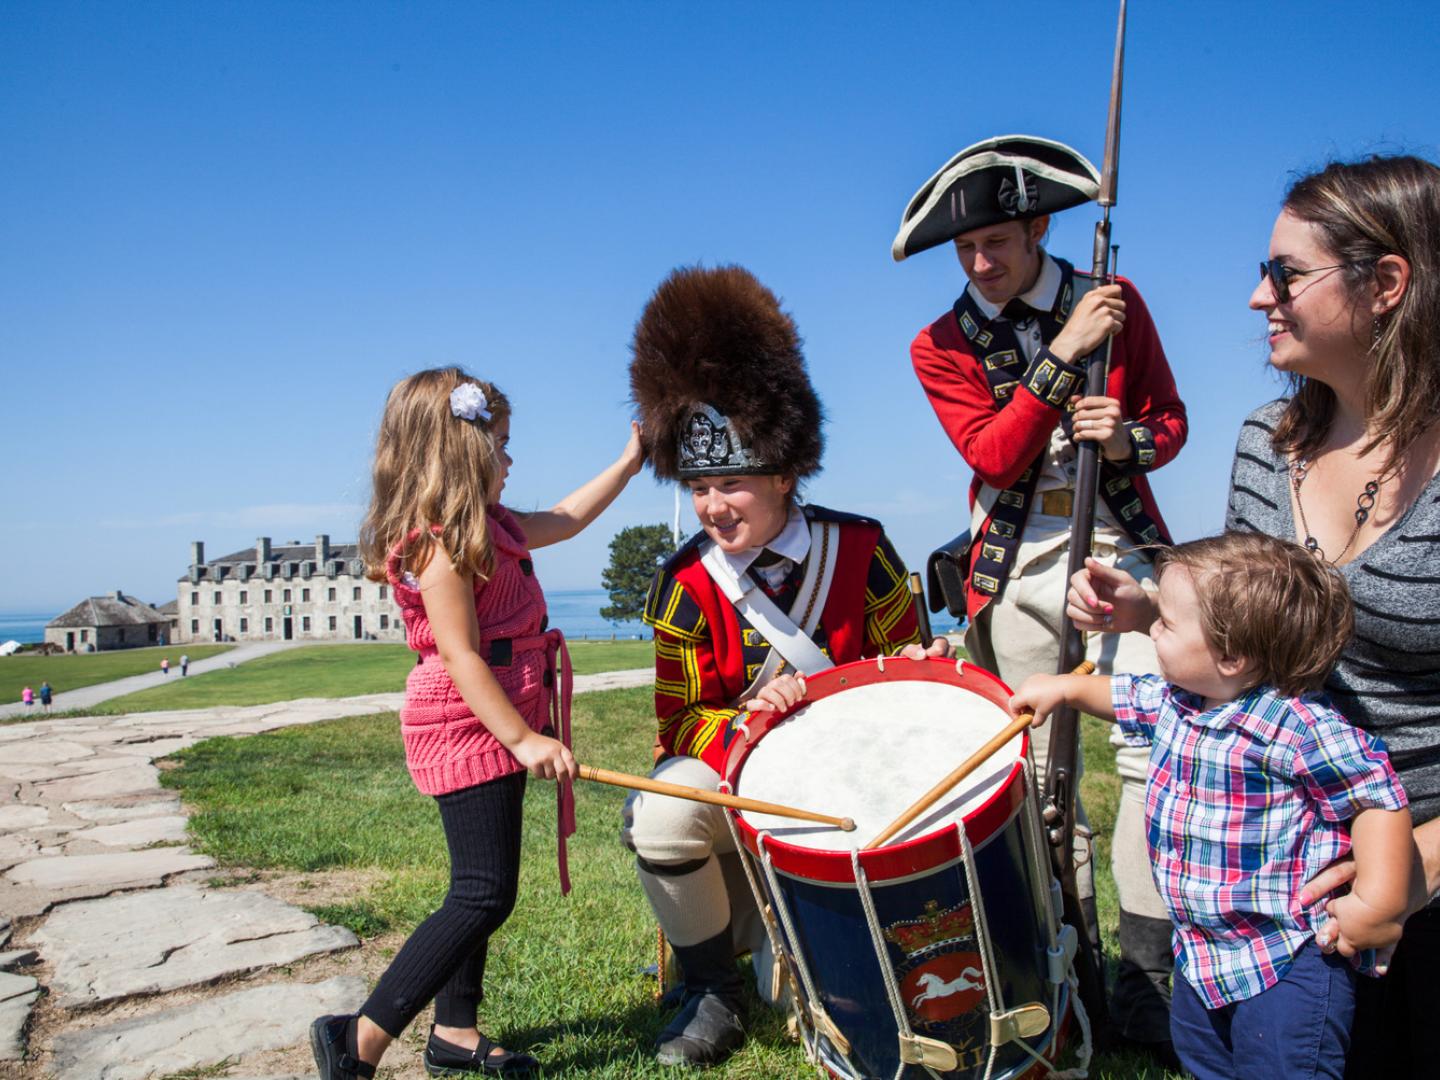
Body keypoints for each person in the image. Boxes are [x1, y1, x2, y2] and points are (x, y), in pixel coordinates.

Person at [1068, 154, 1440, 1078]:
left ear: (1387, 282)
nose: (1254, 297)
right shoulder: (1264, 445)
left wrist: (1407, 873)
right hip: (1276, 890)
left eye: (1283, 274)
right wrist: (1153, 607)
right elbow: (1264, 621)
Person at [892, 134, 1188, 1056]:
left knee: (1152, 740)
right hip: (1016, 561)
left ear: (1040, 226)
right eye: (966, 251)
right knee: (1042, 783)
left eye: (999, 245)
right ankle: (1071, 973)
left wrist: (1127, 440)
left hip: (1120, 544)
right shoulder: (939, 343)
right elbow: (992, 455)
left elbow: (1171, 422)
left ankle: (1146, 978)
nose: (981, 266)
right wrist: (1064, 355)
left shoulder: (1116, 299)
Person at [626, 265, 951, 1067]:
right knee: (659, 813)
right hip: (742, 787)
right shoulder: (686, 585)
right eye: (699, 487)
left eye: (730, 483)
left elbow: (905, 680)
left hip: (852, 795)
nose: (711, 507)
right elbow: (679, 726)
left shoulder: (865, 551)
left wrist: (917, 667)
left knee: (814, 990)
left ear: (785, 474)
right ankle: (708, 989)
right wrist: (748, 724)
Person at [309, 367, 644, 1079]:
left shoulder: (496, 527)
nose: (511, 459)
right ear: (459, 451)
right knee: (483, 892)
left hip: (504, 710)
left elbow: (573, 515)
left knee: (479, 881)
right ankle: (358, 1040)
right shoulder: (437, 544)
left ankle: (455, 1031)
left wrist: (630, 460)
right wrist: (522, 740)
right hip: (468, 722)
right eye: (502, 443)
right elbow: (459, 654)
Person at [1015, 532, 1416, 1078]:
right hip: (1202, 955)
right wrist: (1062, 688)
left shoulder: (1296, 728)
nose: (1151, 627)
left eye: (1166, 623)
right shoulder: (1179, 701)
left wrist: (1379, 904)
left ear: (1230, 656)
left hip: (1287, 959)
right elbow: (1118, 694)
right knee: (1207, 1063)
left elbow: (1378, 799)